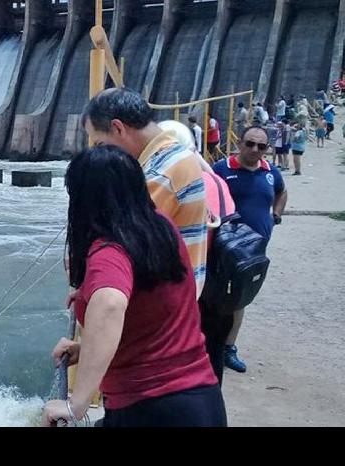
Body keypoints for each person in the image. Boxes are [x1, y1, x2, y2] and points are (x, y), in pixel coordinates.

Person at [42, 145, 225, 427]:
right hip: (201, 399)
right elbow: (149, 307)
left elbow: (111, 305)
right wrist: (88, 349)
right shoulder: (159, 227)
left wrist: (75, 404)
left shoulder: (108, 251)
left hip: (150, 409)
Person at [81, 87, 208, 298]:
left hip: (163, 306)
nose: (100, 152)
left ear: (118, 128)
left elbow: (121, 242)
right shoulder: (175, 155)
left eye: (100, 144)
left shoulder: (160, 174)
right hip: (179, 297)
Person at [159, 120, 236, 383]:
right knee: (212, 360)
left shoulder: (178, 181)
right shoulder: (216, 181)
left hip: (195, 286)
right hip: (223, 282)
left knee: (181, 367)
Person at [212, 126, 287, 374]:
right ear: (240, 143)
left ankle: (228, 348)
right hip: (224, 248)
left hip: (254, 250)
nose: (255, 149)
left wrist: (276, 214)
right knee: (213, 295)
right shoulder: (222, 169)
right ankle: (207, 346)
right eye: (250, 143)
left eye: (261, 146)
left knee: (240, 298)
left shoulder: (270, 172)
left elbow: (282, 191)